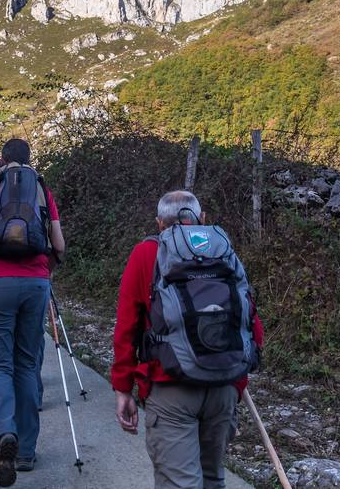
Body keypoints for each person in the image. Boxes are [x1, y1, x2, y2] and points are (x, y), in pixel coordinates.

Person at [112, 190, 265, 489]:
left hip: (172, 388)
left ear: (159, 223)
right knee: (212, 479)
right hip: (223, 384)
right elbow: (250, 321)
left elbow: (127, 326)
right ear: (202, 218)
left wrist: (122, 388)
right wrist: (237, 382)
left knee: (179, 483)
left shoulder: (146, 253)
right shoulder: (221, 248)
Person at [0, 138, 65, 487]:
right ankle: (26, 452)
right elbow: (59, 244)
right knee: (27, 362)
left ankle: (5, 433)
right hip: (35, 284)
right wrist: (44, 272)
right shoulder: (41, 189)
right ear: (29, 160)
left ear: (2, 159)